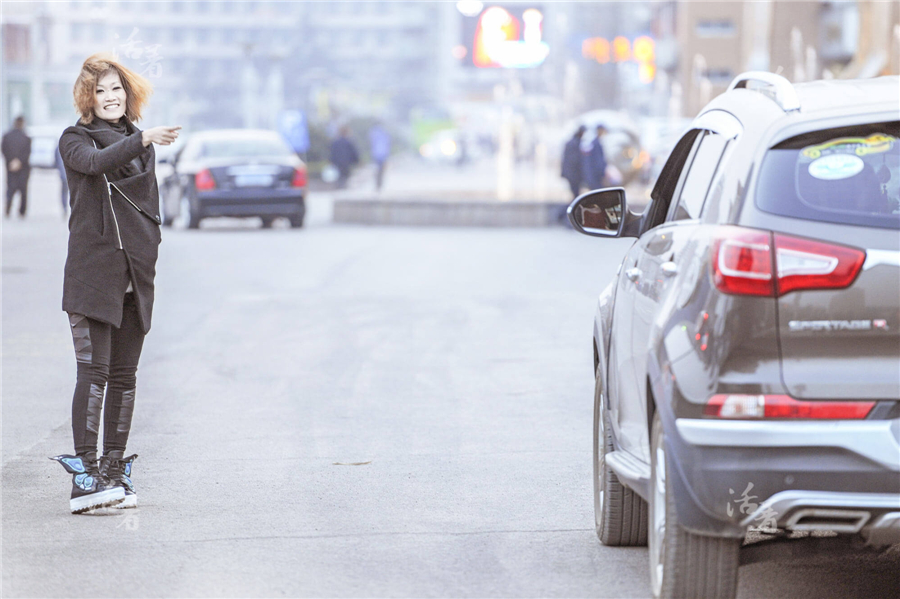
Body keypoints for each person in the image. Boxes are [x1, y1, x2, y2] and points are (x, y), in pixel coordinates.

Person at [50, 53, 180, 514]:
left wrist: (148, 255)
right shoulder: (74, 140)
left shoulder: (138, 145)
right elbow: (99, 162)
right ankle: (84, 476)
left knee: (125, 377)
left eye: (117, 89)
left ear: (129, 94)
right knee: (95, 374)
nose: (110, 97)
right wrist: (143, 137)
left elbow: (150, 211)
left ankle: (112, 468)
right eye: (101, 90)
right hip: (91, 277)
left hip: (135, 278)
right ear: (88, 97)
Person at [2, 115, 32, 218]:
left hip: (10, 167)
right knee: (23, 190)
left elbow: (4, 150)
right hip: (23, 168)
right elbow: (27, 152)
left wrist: (11, 161)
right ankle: (22, 211)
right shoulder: (26, 138)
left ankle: (8, 209)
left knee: (10, 188)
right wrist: (19, 161)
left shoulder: (6, 136)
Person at [561, 125, 586, 199]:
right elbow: (573, 160)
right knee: (575, 193)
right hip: (573, 174)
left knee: (575, 193)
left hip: (573, 174)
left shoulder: (574, 142)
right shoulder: (574, 143)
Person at [582, 124, 608, 191]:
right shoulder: (595, 144)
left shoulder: (597, 143)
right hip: (596, 175)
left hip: (597, 174)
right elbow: (594, 161)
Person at [368, 123, 391, 191]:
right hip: (383, 154)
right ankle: (379, 183)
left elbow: (371, 143)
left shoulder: (373, 133)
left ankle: (377, 184)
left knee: (376, 170)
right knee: (381, 170)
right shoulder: (385, 133)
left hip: (375, 154)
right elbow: (388, 144)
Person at [55, 146, 69, 218]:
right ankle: (65, 208)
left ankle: (65, 208)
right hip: (65, 173)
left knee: (64, 191)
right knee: (65, 191)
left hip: (63, 173)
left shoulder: (59, 146)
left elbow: (56, 161)